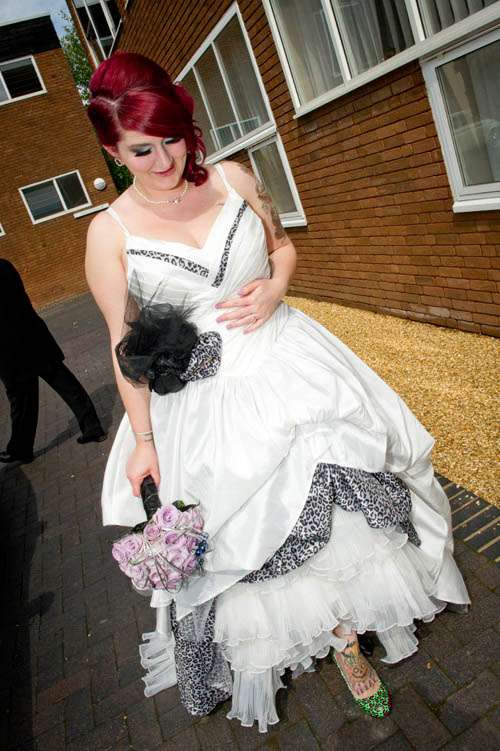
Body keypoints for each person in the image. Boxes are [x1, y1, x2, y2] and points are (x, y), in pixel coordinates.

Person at [85, 51, 469, 732]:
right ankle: (337, 641)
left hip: (291, 363)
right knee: (251, 536)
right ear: (113, 150)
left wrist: (276, 286)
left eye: (172, 138)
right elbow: (126, 349)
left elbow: (282, 247)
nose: (164, 159)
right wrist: (144, 442)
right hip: (207, 403)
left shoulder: (233, 177)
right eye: (142, 149)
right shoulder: (108, 234)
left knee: (342, 508)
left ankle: (349, 637)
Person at [0, 259, 107, 464]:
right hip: (33, 336)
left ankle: (21, 449)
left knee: (21, 399)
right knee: (65, 384)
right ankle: (92, 427)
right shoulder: (4, 265)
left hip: (9, 350)